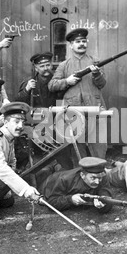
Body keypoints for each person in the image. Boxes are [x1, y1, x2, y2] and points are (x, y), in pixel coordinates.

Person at [48, 28, 107, 167]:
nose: (81, 44)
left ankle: (98, 178)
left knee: (98, 146)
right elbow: (52, 85)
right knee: (76, 149)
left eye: (83, 41)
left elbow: (102, 84)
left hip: (95, 111)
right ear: (71, 45)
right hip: (73, 113)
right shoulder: (64, 65)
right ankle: (80, 179)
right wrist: (66, 82)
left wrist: (96, 74)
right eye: (77, 42)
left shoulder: (95, 62)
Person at [40, 157, 113, 214]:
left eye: (99, 178)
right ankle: (52, 166)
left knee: (61, 169)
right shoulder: (64, 179)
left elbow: (106, 192)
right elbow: (52, 202)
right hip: (48, 183)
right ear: (82, 175)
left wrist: (104, 202)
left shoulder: (102, 176)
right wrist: (70, 199)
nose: (97, 182)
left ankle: (57, 166)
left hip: (64, 174)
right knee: (43, 173)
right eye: (93, 178)